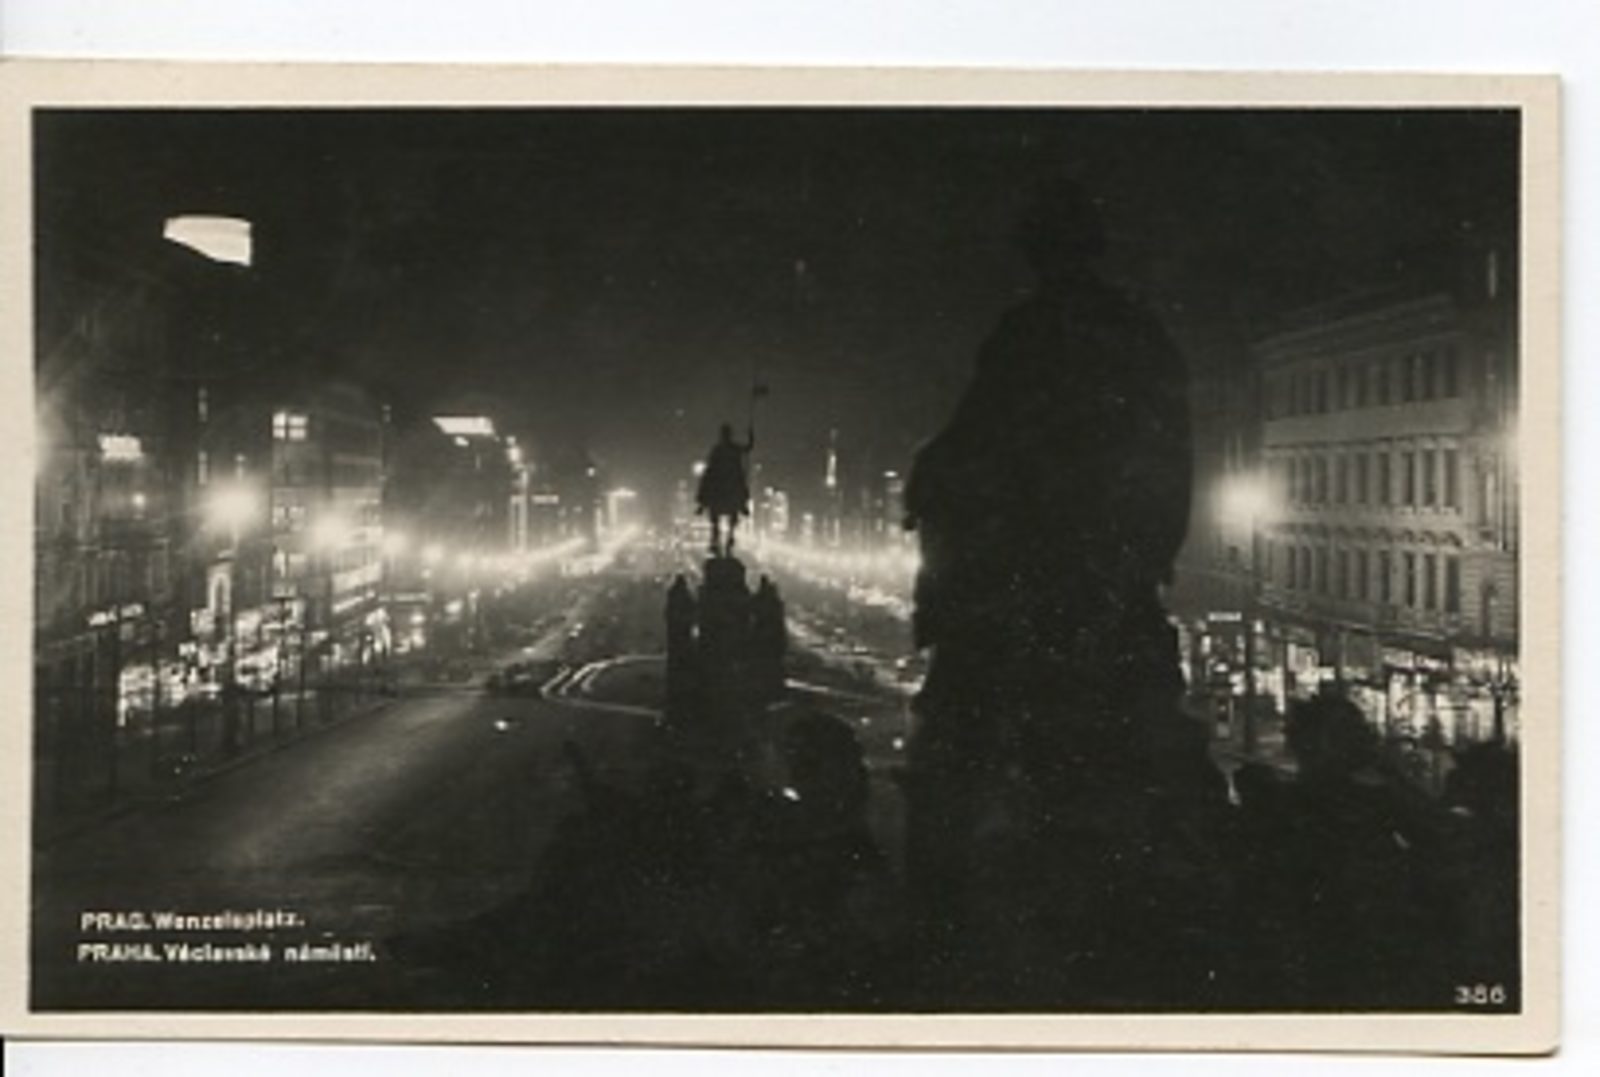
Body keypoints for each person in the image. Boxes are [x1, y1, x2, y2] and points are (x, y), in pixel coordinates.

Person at [696, 422, 755, 557]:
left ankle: (727, 538)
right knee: (716, 487)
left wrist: (750, 435)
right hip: (722, 481)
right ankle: (716, 539)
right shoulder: (720, 450)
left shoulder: (727, 449)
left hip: (729, 480)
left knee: (739, 488)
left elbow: (748, 448)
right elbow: (711, 468)